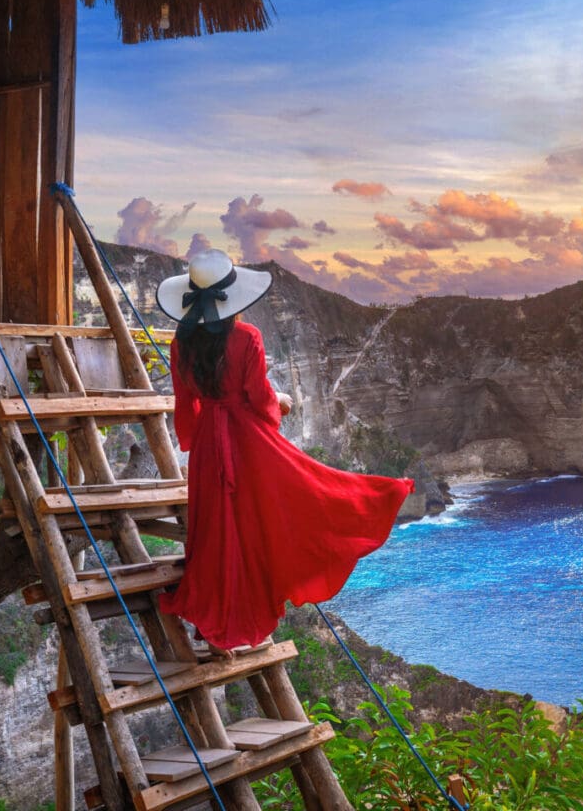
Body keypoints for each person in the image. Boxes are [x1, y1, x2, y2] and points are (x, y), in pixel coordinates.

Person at [154, 249, 413, 653]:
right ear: (231, 298)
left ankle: (211, 625)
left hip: (208, 444)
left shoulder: (180, 344)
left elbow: (186, 405)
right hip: (245, 440)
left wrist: (192, 441)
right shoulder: (246, 338)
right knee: (279, 510)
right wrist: (281, 405)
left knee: (215, 531)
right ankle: (382, 495)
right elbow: (259, 399)